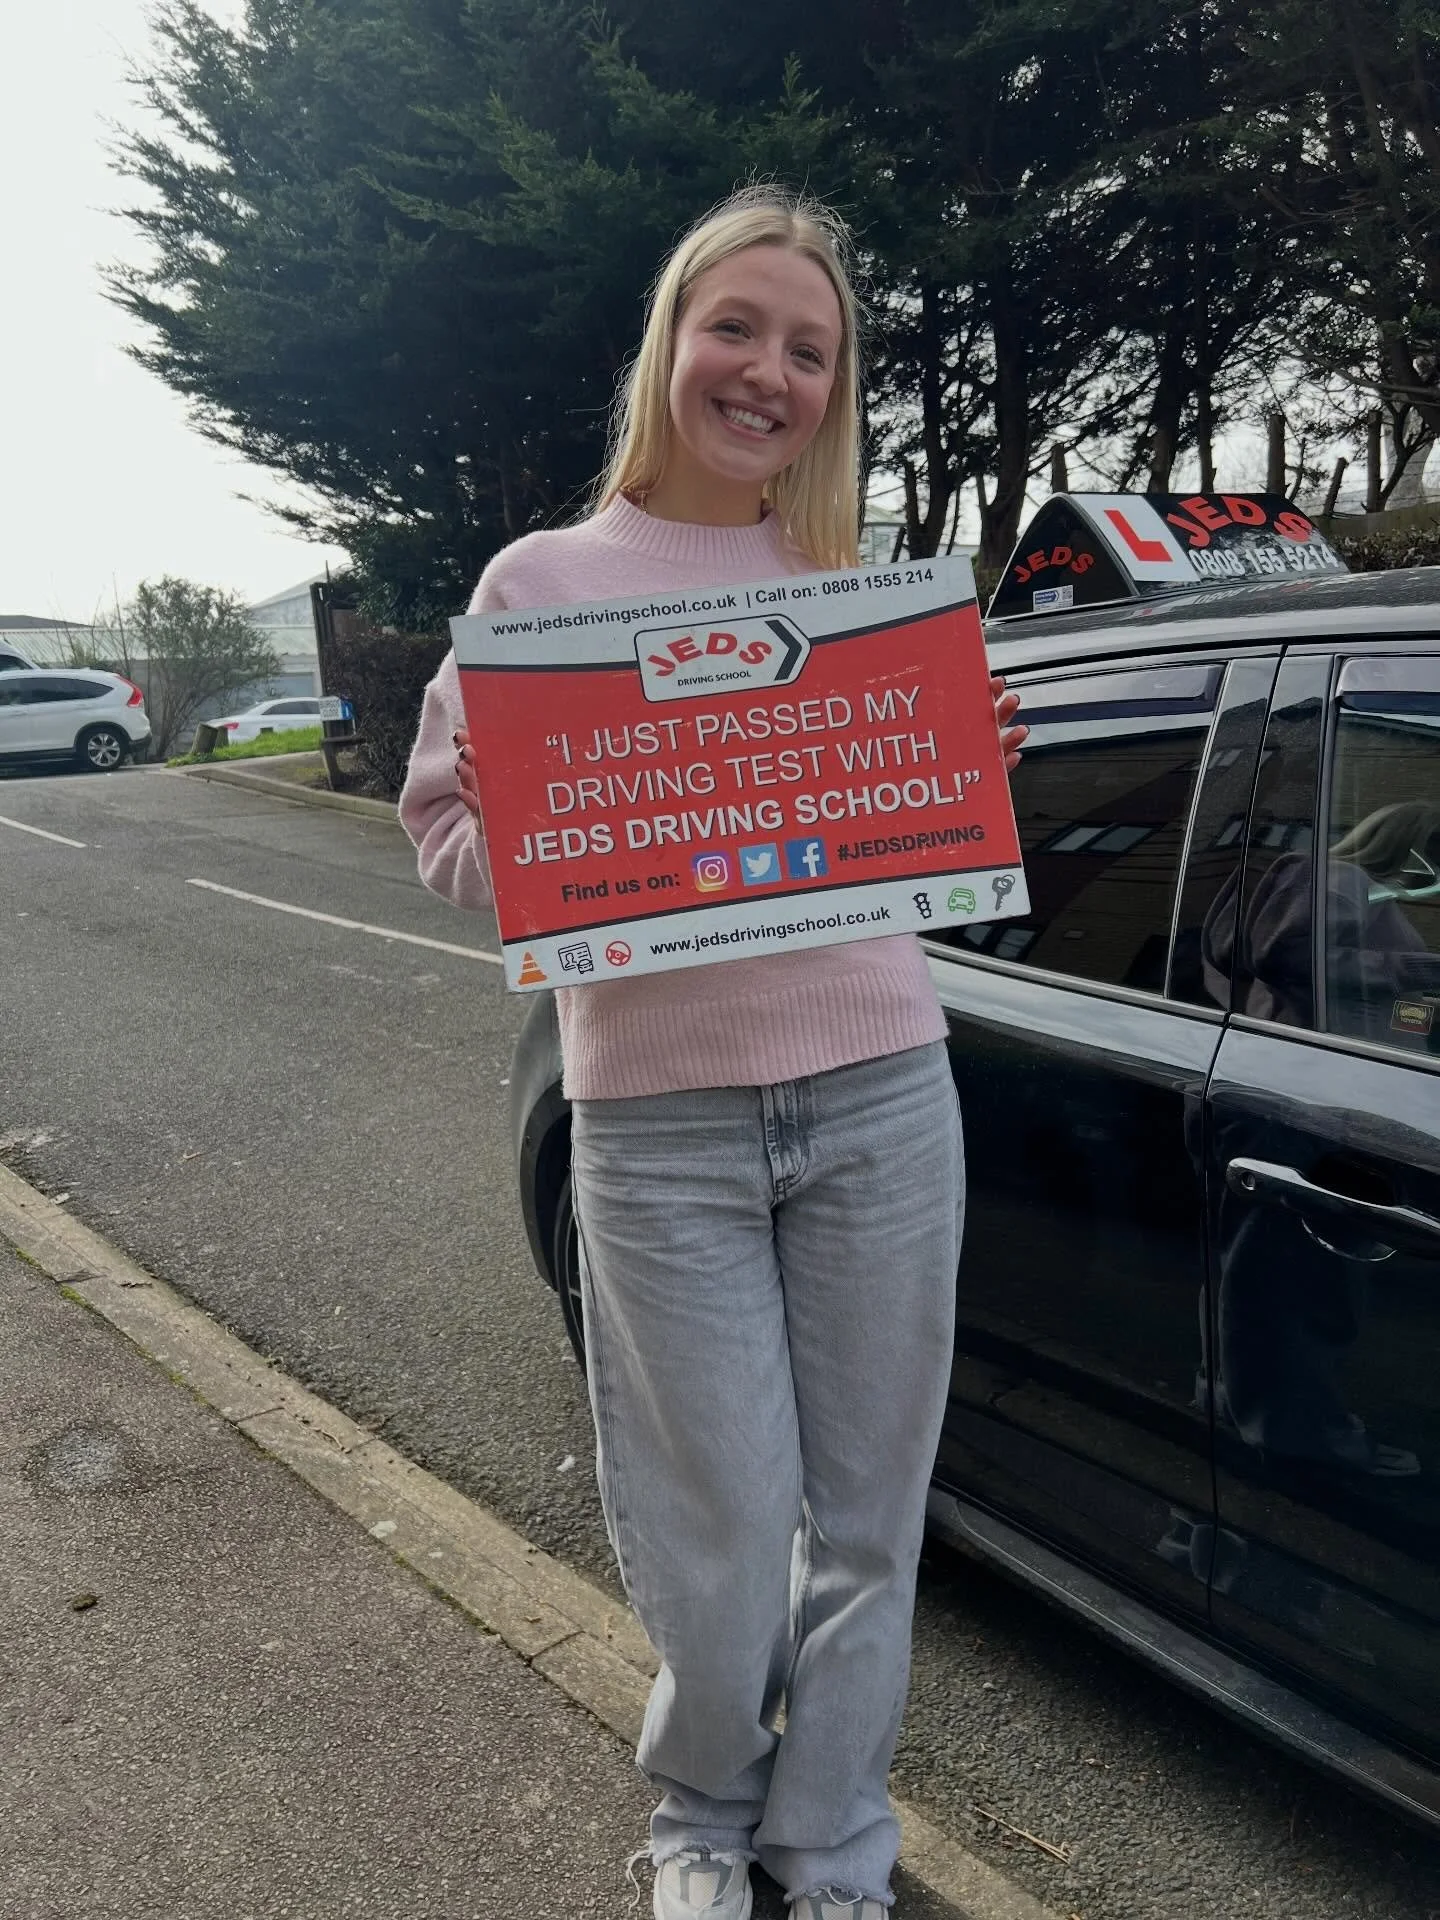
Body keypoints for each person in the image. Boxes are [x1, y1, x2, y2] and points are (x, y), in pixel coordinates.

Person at [399, 185, 1026, 1920]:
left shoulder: (857, 590)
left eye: (809, 350)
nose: (768, 371)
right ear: (672, 340)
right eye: (735, 328)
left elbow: (919, 859)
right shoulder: (541, 585)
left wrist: (958, 771)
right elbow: (449, 835)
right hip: (656, 1127)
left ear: (834, 389)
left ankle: (828, 1840)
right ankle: (699, 1819)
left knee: (872, 1524)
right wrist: (555, 826)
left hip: (885, 1096)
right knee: (721, 1540)